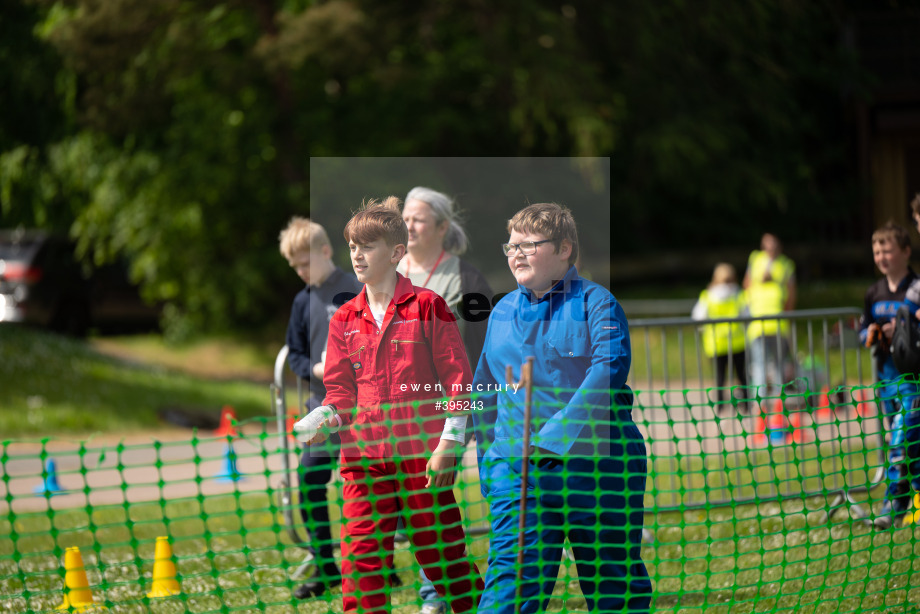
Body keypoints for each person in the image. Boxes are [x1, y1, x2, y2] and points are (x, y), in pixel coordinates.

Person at [294, 197, 484, 614]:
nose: (357, 256)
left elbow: (458, 382)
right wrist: (323, 416)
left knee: (442, 558)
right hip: (363, 459)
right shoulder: (344, 317)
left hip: (422, 458)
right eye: (352, 247)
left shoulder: (428, 306)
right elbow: (341, 392)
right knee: (360, 561)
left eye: (368, 246)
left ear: (397, 253)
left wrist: (450, 442)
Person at [470, 203, 653, 613]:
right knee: (508, 587)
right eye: (511, 245)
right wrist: (491, 462)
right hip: (520, 475)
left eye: (529, 245)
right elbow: (484, 388)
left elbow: (608, 371)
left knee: (615, 587)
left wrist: (553, 439)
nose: (516, 253)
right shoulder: (500, 312)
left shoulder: (597, 303)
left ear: (565, 248)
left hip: (599, 471)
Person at [396, 186, 493, 614]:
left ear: (440, 226)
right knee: (419, 500)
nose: (409, 225)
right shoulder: (386, 267)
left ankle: (440, 593)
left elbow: (488, 345)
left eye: (418, 218)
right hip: (398, 408)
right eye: (405, 217)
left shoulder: (466, 278)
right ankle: (444, 587)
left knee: (434, 496)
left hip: (456, 403)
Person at [278, 217, 362, 599]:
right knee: (311, 481)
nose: (300, 272)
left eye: (304, 263)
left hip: (364, 408)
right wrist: (313, 367)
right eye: (293, 266)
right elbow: (294, 354)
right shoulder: (301, 301)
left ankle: (376, 564)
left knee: (370, 484)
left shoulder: (356, 287)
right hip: (320, 407)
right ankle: (325, 565)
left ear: (325, 251)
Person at [857, 221, 919, 529]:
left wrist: (906, 329)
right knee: (905, 442)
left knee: (902, 438)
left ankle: (891, 506)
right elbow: (861, 329)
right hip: (885, 378)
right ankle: (904, 503)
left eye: (888, 250)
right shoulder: (873, 292)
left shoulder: (916, 287)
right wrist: (868, 333)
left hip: (912, 378)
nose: (882, 256)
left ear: (905, 252)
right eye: (877, 250)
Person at [743, 232, 796, 400]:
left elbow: (791, 292)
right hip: (759, 323)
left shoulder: (785, 264)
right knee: (760, 365)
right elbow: (747, 284)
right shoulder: (756, 260)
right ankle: (761, 402)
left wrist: (788, 313)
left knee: (778, 364)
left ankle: (777, 401)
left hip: (777, 323)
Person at [692, 263, 749, 414]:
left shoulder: (708, 295)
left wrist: (705, 329)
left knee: (720, 378)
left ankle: (720, 407)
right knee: (742, 375)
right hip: (737, 341)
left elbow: (698, 317)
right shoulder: (738, 294)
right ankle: (746, 405)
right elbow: (746, 314)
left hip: (716, 343)